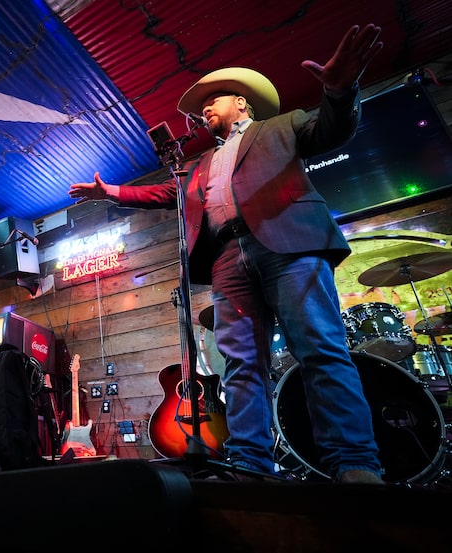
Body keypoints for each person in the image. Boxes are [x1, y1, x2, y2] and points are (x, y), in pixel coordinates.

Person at [69, 24, 386, 485]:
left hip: (289, 243)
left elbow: (333, 131)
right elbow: (166, 194)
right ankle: (250, 468)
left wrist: (340, 90)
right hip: (226, 260)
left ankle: (355, 463)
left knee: (319, 347)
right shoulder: (198, 166)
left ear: (241, 101)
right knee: (239, 366)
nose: (203, 111)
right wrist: (112, 191)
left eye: (210, 102)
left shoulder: (282, 125)